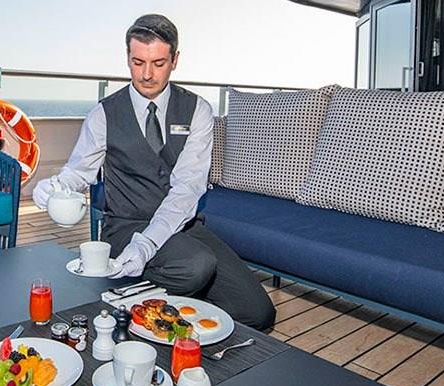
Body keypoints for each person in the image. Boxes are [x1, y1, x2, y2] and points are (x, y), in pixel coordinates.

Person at [33, 14, 275, 330]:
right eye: (138, 62)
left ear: (175, 60)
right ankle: (153, 310)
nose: (147, 74)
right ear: (127, 57)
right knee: (195, 266)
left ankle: (143, 302)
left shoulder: (198, 111)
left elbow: (188, 188)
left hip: (182, 225)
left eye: (158, 63)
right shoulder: (103, 114)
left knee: (258, 312)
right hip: (124, 226)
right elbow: (80, 172)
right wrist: (54, 186)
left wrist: (148, 244)